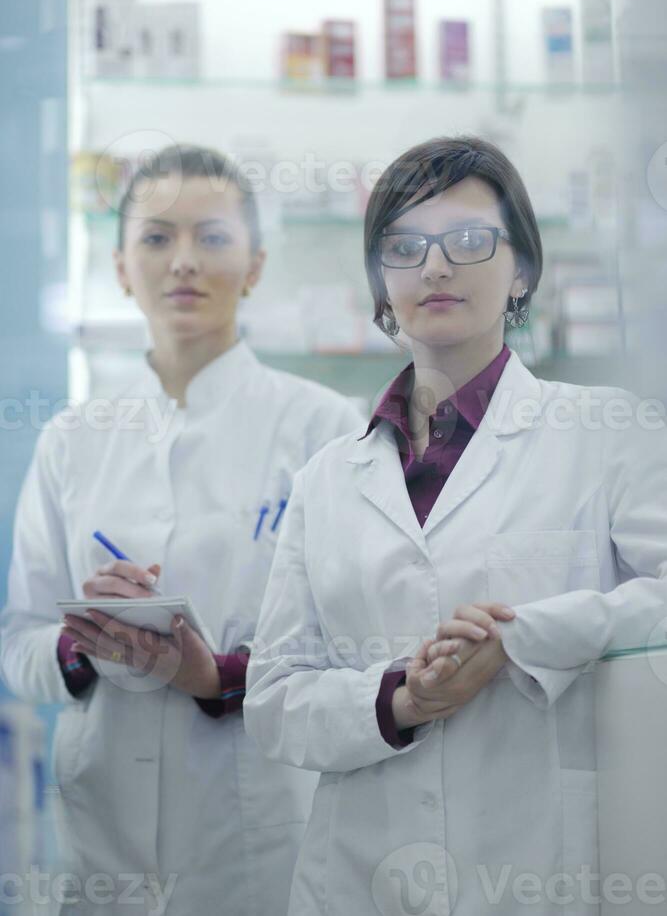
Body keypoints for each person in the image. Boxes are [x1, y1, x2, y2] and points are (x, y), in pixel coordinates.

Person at [244, 135, 667, 916]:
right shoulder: (327, 479)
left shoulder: (608, 431)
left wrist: (525, 636)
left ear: (523, 271)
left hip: (535, 873)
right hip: (357, 879)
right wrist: (397, 702)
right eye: (404, 247)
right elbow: (273, 701)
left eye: (469, 241)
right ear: (379, 284)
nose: (434, 268)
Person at [0, 144, 365, 915]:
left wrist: (219, 677)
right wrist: (79, 644)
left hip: (258, 825)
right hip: (101, 833)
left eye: (213, 237)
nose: (184, 262)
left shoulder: (326, 430)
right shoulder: (71, 438)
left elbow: (359, 646)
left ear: (256, 264)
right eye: (157, 238)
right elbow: (19, 644)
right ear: (122, 266)